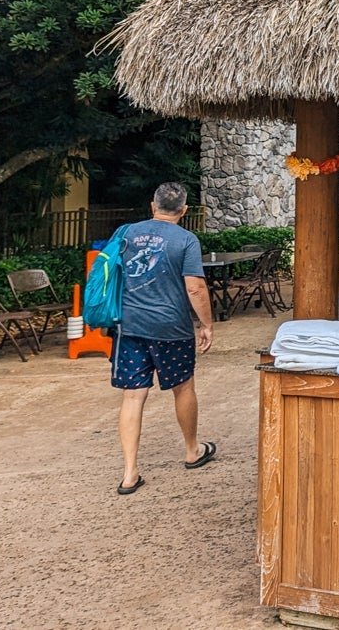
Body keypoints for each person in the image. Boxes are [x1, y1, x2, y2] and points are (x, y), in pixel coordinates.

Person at [112, 182, 216, 495]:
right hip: (171, 328)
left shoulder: (127, 233)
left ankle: (129, 473)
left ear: (152, 205)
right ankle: (192, 450)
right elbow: (195, 286)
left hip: (129, 325)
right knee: (182, 387)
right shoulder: (186, 239)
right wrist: (207, 324)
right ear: (184, 210)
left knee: (133, 396)